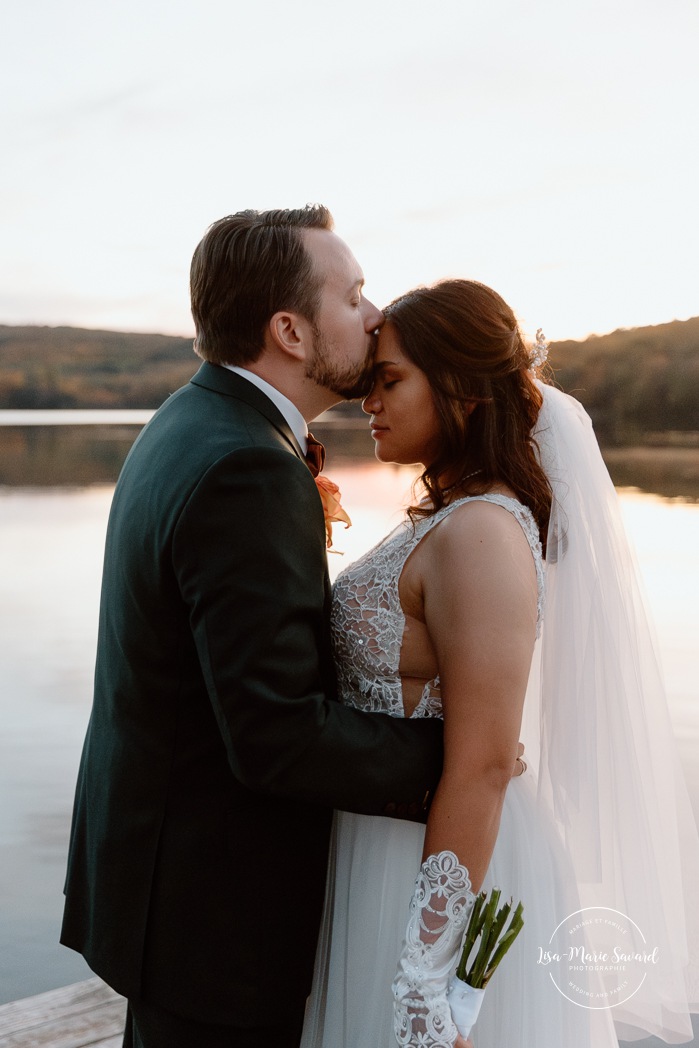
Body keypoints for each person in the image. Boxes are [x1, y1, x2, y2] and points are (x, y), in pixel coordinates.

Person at [60, 206, 461, 1048]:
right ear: (288, 329)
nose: (375, 314)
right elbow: (275, 733)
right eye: (351, 295)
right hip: (215, 921)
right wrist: (454, 758)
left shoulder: (186, 422)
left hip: (157, 893)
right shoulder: (246, 464)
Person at [301, 279, 699, 1047]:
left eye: (390, 382)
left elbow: (483, 763)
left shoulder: (482, 533)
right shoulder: (451, 515)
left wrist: (426, 978)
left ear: (461, 390)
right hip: (378, 840)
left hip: (436, 869)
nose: (368, 403)